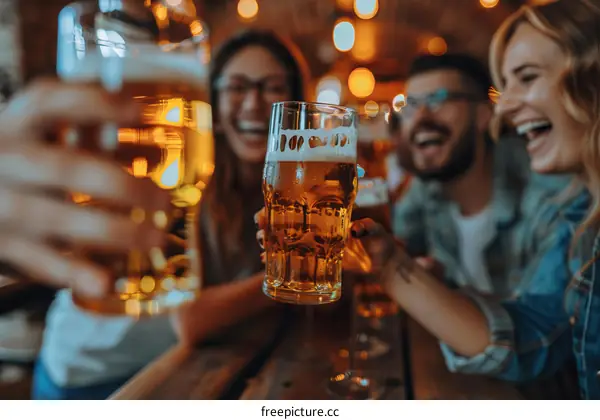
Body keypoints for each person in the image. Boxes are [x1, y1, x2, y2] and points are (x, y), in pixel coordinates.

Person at [335, 0, 600, 399]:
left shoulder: (560, 198)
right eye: (412, 105)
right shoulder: (426, 198)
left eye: (438, 99)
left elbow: (534, 343)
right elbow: (533, 326)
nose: (506, 106)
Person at [26, 29, 307, 399]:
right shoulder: (187, 174)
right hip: (91, 376)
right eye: (237, 87)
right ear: (212, 104)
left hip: (174, 367)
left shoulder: (276, 188)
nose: (254, 103)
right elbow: (190, 320)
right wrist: (299, 272)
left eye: (272, 87)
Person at [390, 53, 569, 297]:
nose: (420, 117)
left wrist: (435, 298)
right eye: (409, 105)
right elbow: (392, 247)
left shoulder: (547, 193)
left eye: (438, 99)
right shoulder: (426, 191)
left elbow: (540, 327)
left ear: (483, 115)